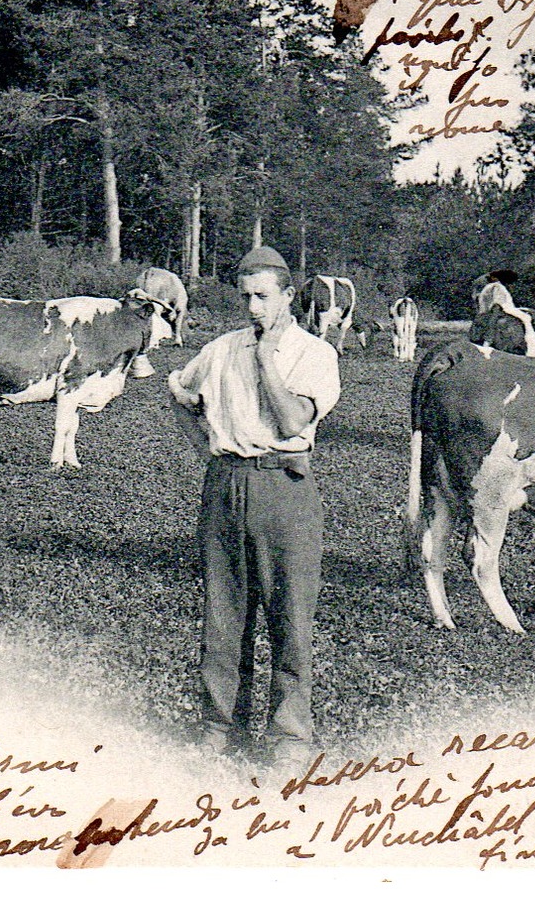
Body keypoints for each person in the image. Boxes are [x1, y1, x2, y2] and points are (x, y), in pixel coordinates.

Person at [168, 246, 341, 773]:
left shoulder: (315, 354)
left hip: (284, 488)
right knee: (223, 617)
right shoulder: (221, 349)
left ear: (288, 296)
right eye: (245, 297)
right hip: (225, 485)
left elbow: (292, 422)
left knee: (290, 616)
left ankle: (290, 736)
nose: (253, 308)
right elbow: (178, 392)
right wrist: (206, 448)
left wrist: (266, 359)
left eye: (263, 297)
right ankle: (220, 726)